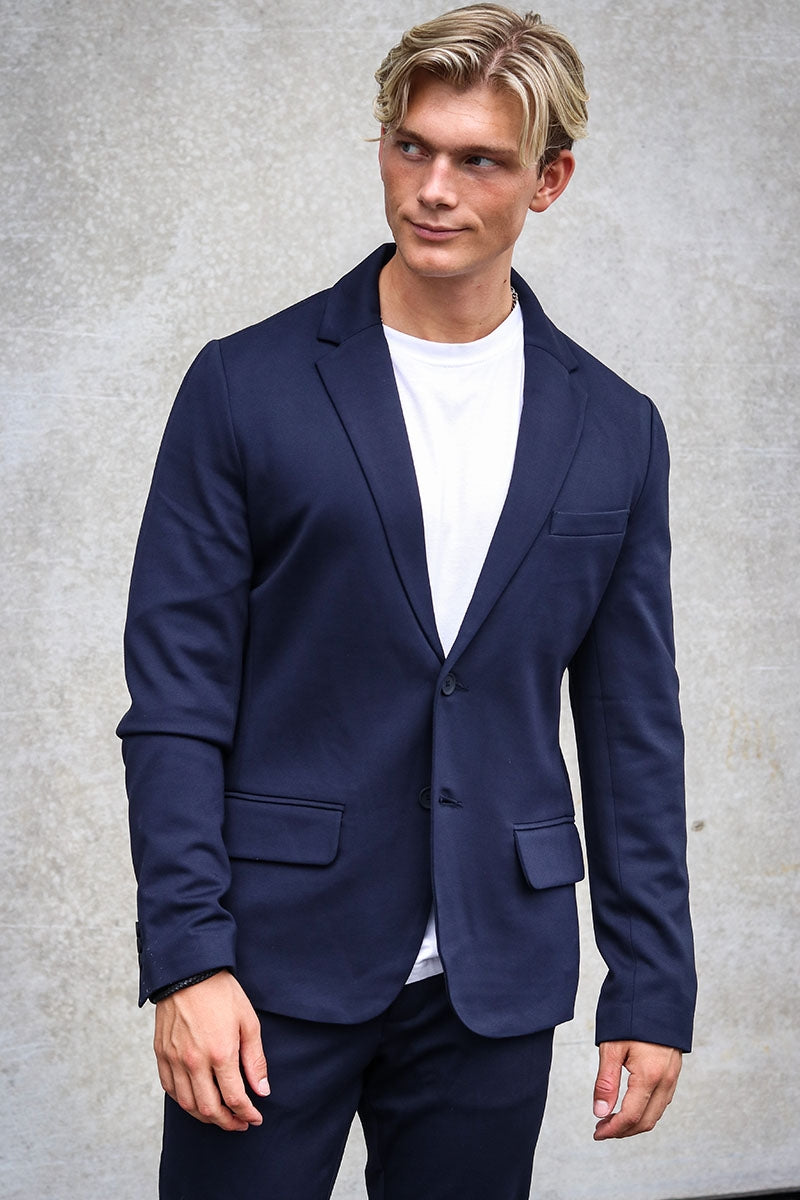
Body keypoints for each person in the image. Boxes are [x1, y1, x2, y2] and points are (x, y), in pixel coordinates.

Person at [118, 5, 696, 1197]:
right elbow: (175, 703)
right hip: (266, 970)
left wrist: (650, 986)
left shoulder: (613, 429)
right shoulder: (244, 386)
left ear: (547, 182)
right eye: (411, 148)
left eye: (478, 160)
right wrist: (186, 961)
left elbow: (631, 731)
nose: (432, 189)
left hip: (493, 977)